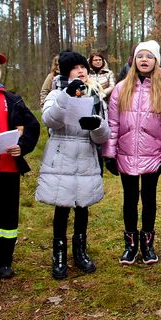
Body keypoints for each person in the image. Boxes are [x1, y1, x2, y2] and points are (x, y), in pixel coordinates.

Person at [36, 50, 110, 280]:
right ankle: (59, 255)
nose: (81, 71)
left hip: (86, 156)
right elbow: (50, 120)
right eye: (76, 68)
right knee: (62, 207)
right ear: (66, 72)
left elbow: (103, 135)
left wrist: (96, 126)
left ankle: (80, 252)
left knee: (82, 206)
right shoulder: (55, 93)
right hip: (62, 156)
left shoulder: (95, 95)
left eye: (83, 67)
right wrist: (66, 97)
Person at [103, 40, 161, 265]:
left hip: (152, 155)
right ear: (134, 60)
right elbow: (113, 123)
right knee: (129, 199)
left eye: (149, 56)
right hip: (126, 154)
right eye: (140, 56)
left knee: (149, 199)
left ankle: (147, 245)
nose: (144, 60)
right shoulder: (121, 88)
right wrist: (109, 154)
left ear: (156, 61)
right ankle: (130, 245)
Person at [0, 48, 40, 282]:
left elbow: (32, 126)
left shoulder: (12, 99)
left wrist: (21, 147)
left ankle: (5, 261)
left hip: (9, 170)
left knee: (8, 219)